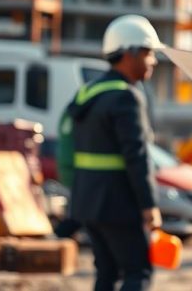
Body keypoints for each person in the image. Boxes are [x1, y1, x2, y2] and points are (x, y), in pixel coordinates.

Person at [64, 15, 162, 291]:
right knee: (138, 272)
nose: (153, 60)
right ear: (130, 53)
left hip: (88, 203)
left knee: (106, 274)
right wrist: (149, 205)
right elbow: (137, 155)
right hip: (118, 204)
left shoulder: (89, 92)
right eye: (149, 52)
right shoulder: (126, 97)